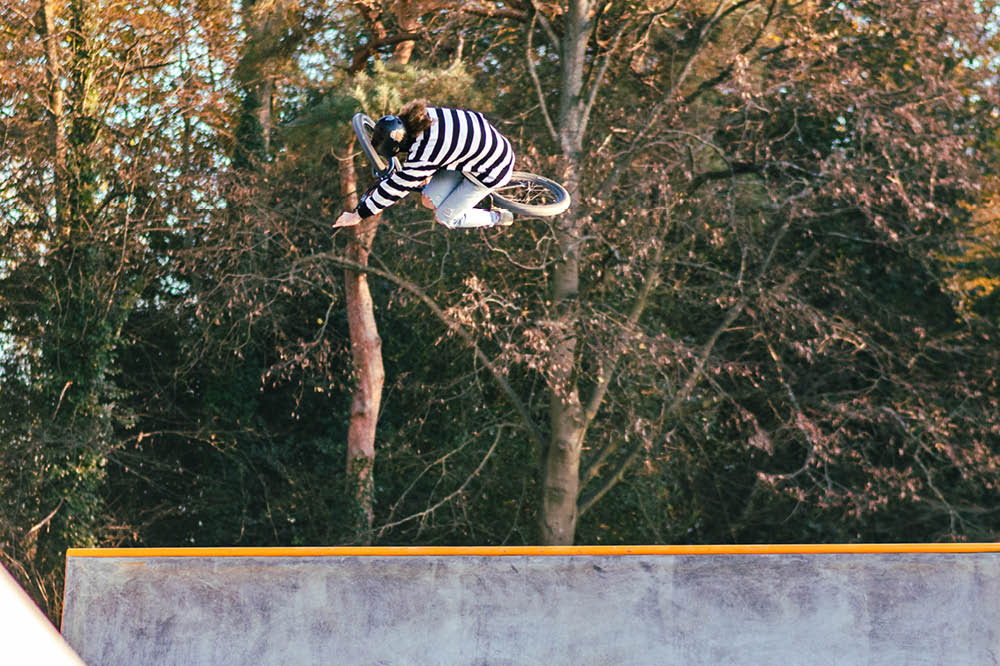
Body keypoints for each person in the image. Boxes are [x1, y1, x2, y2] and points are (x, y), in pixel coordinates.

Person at [333, 100, 515, 229]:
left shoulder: (427, 152)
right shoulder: (424, 114)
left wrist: (358, 215)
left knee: (445, 217)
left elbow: (395, 189)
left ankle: (496, 217)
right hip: (484, 146)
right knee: (428, 199)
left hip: (492, 170)